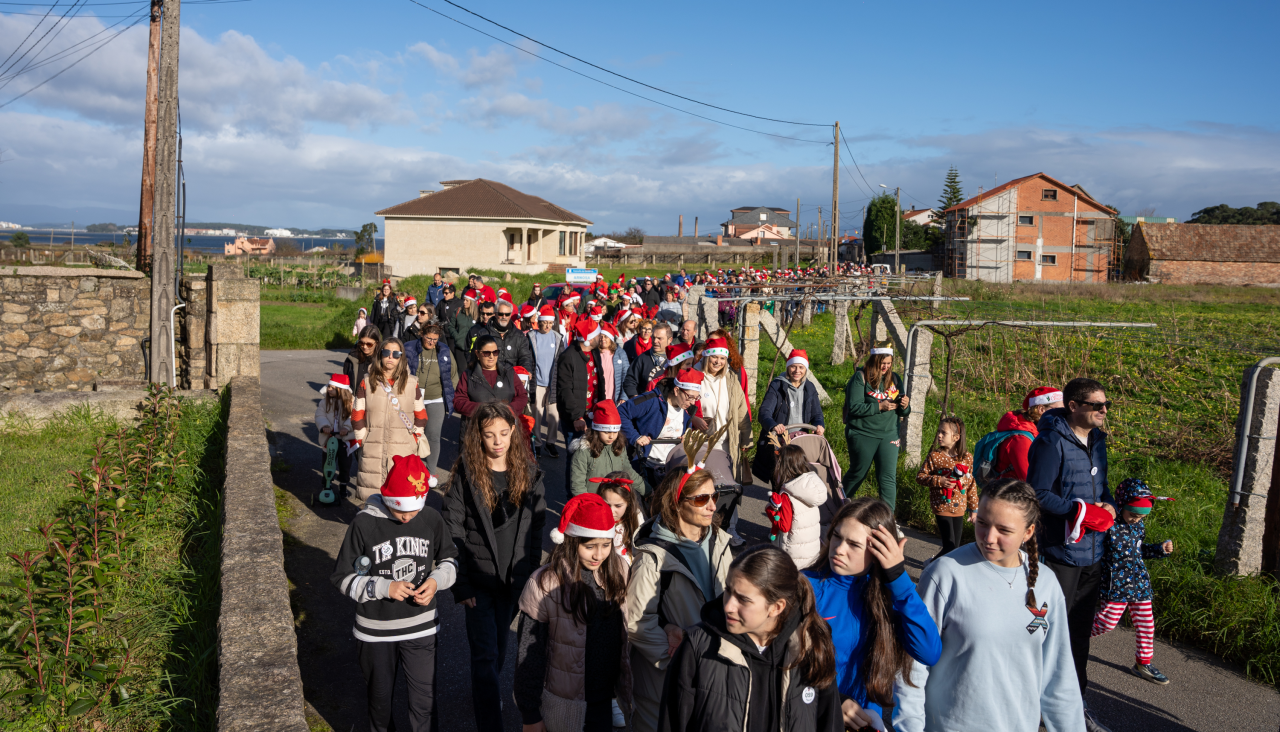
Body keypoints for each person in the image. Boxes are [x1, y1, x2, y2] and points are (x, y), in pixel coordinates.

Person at [893, 479, 1084, 732]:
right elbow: (912, 666)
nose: (989, 538)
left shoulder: (1046, 583)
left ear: (1028, 532)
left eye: (1004, 530)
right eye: (982, 523)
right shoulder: (945, 574)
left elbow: (1059, 678)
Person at [330, 454, 457, 732]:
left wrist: (436, 581)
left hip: (421, 627)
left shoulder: (431, 519)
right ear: (387, 498)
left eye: (414, 510)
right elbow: (341, 578)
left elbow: (450, 560)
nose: (407, 517)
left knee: (425, 703)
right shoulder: (364, 524)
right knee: (380, 702)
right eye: (401, 510)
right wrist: (383, 587)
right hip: (375, 630)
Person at [658, 544, 843, 732]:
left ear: (776, 607)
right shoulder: (698, 646)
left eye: (743, 599)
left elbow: (830, 721)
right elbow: (672, 723)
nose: (728, 606)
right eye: (728, 590)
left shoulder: (811, 646)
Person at [443, 402, 546, 732]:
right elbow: (452, 529)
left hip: (513, 583)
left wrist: (531, 576)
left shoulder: (529, 475)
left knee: (499, 649)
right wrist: (460, 584)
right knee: (485, 655)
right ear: (479, 436)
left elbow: (535, 534)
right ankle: (490, 721)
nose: (497, 441)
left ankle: (484, 691)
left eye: (503, 433)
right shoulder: (467, 474)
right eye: (489, 435)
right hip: (477, 582)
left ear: (513, 432)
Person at [803, 498, 941, 731]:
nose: (839, 549)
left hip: (863, 723)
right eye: (837, 536)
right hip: (809, 715)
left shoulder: (889, 597)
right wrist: (832, 698)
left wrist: (899, 579)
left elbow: (929, 652)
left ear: (879, 552)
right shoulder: (804, 587)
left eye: (854, 545)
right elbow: (779, 662)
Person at [1027, 377, 1116, 732]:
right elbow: (1037, 493)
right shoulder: (1051, 440)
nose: (1104, 411)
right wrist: (1079, 511)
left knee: (1079, 635)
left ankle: (1075, 705)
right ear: (1074, 406)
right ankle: (1037, 708)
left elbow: (1102, 484)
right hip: (1061, 552)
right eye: (1097, 405)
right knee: (1051, 635)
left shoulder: (1097, 440)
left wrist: (1108, 505)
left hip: (1092, 552)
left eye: (1106, 404)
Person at [626, 461, 733, 732]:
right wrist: (677, 660)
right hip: (664, 682)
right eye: (701, 499)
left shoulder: (720, 541)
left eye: (715, 496)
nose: (712, 505)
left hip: (712, 674)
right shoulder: (653, 557)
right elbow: (636, 622)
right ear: (676, 503)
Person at [514, 493, 631, 732]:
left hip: (603, 698)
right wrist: (530, 713)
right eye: (590, 547)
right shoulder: (545, 583)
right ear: (571, 541)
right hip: (562, 702)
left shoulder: (619, 570)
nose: (599, 555)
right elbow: (529, 653)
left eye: (606, 545)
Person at [1091, 478, 1174, 686]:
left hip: (1139, 584)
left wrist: (1158, 550)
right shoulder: (1109, 524)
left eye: (1141, 517)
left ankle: (1143, 664)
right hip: (1116, 584)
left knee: (1146, 624)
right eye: (1133, 515)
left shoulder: (1138, 527)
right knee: (1106, 622)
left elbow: (1138, 550)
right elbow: (1095, 551)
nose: (1136, 520)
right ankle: (1070, 639)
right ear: (1121, 505)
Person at [352, 338, 429, 501]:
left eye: (396, 354)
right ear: (380, 355)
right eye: (386, 353)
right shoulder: (366, 382)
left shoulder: (412, 383)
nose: (390, 357)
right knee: (371, 497)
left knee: (398, 496)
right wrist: (362, 439)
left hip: (403, 449)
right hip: (373, 446)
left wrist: (415, 438)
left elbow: (421, 415)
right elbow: (357, 414)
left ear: (401, 357)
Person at [841, 344, 910, 513]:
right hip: (862, 433)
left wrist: (905, 406)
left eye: (888, 363)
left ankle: (888, 521)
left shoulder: (894, 379)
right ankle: (837, 506)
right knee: (858, 473)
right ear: (874, 360)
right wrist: (879, 407)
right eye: (882, 362)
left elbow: (902, 411)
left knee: (887, 478)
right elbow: (854, 407)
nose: (885, 366)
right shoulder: (860, 378)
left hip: (889, 434)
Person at [753, 349, 824, 482]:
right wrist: (774, 425)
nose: (797, 370)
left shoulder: (810, 388)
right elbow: (764, 412)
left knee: (799, 479)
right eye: (793, 366)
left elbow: (817, 414)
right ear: (788, 367)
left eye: (801, 367)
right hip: (780, 441)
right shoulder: (777, 386)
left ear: (806, 369)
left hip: (801, 440)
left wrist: (819, 425)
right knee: (780, 479)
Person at [619, 369, 699, 486]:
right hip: (646, 464)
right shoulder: (651, 400)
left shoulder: (687, 409)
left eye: (696, 398)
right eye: (690, 397)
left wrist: (687, 435)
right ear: (676, 390)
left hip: (671, 467)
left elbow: (686, 427)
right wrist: (635, 437)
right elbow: (621, 412)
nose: (693, 402)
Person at [916, 415, 977, 558]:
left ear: (956, 437)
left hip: (960, 508)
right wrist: (939, 481)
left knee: (955, 548)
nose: (939, 435)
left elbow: (971, 484)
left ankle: (937, 567)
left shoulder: (967, 457)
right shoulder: (935, 456)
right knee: (949, 547)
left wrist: (974, 508)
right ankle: (932, 567)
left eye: (944, 433)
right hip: (941, 506)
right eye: (939, 431)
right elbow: (920, 477)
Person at [404, 325, 455, 475]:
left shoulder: (444, 350)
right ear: (421, 334)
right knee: (412, 435)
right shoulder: (409, 348)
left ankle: (430, 472)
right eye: (428, 338)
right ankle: (411, 470)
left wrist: (452, 394)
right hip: (412, 399)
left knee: (433, 436)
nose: (432, 342)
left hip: (436, 399)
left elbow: (453, 374)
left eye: (435, 339)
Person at [570, 400, 646, 498]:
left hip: (615, 500)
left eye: (615, 432)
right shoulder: (584, 452)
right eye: (606, 432)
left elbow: (628, 471)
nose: (611, 436)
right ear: (596, 430)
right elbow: (577, 484)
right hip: (593, 503)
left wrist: (646, 490)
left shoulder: (619, 447)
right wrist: (588, 505)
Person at [769, 444, 828, 570]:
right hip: (811, 552)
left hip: (793, 554)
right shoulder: (809, 486)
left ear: (782, 466)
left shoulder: (788, 494)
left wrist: (770, 511)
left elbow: (784, 526)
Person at [990, 386, 1063, 482]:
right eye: (1060, 410)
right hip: (1011, 494)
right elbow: (1029, 480)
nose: (1063, 414)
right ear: (1041, 409)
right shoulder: (1021, 439)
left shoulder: (1037, 432)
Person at [556, 320, 606, 451]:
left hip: (594, 414)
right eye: (597, 335)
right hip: (576, 418)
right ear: (588, 339)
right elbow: (564, 390)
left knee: (593, 455)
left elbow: (600, 381)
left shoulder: (595, 353)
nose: (600, 337)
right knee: (575, 457)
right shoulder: (568, 357)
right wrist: (576, 417)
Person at [454, 334, 528, 419]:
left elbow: (522, 396)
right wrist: (482, 409)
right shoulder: (468, 374)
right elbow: (458, 401)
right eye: (486, 353)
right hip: (476, 426)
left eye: (495, 352)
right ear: (477, 353)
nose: (491, 356)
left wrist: (509, 409)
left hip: (505, 425)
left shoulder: (509, 372)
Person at [528, 305, 567, 458]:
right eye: (545, 322)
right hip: (537, 383)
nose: (547, 326)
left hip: (553, 383)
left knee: (554, 416)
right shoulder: (531, 336)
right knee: (537, 415)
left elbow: (562, 362)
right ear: (539, 322)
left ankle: (550, 442)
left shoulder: (557, 338)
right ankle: (537, 443)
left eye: (550, 323)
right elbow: (528, 358)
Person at [315, 373, 355, 498]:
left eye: (332, 388)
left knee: (345, 463)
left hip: (344, 439)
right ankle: (327, 482)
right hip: (329, 437)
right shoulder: (324, 402)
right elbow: (319, 415)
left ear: (341, 390)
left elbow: (353, 417)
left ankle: (343, 484)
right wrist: (324, 426)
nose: (329, 389)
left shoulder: (350, 403)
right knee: (328, 461)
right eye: (329, 387)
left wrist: (346, 428)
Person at [592, 471, 642, 564]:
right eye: (606, 504)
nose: (611, 511)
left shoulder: (636, 518)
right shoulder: (593, 517)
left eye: (618, 506)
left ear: (628, 503)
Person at [477, 298, 535, 374]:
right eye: (501, 314)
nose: (504, 317)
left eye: (507, 314)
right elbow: (476, 357)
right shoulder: (483, 333)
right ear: (495, 314)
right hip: (489, 377)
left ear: (510, 315)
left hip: (512, 377)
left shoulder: (519, 335)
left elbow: (525, 357)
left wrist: (525, 371)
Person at [623, 323, 671, 399]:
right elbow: (630, 380)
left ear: (670, 340)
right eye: (653, 337)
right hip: (647, 405)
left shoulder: (676, 359)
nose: (655, 341)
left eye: (659, 338)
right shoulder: (642, 358)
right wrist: (636, 399)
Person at [344, 326, 382, 400]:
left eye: (369, 344)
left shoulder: (382, 359)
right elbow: (346, 378)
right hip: (353, 400)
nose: (364, 347)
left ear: (377, 343)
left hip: (374, 402)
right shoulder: (352, 356)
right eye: (361, 343)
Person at [598, 322, 630, 404]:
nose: (603, 339)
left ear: (611, 339)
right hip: (598, 394)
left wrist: (624, 395)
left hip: (615, 396)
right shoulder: (595, 353)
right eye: (601, 336)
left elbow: (626, 374)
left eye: (606, 337)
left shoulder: (620, 353)